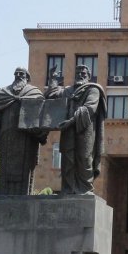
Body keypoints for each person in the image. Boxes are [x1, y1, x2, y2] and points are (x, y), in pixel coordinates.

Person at [0, 67, 48, 195]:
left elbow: (41, 115)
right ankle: (3, 196)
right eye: (16, 73)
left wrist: (40, 132)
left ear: (27, 77)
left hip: (26, 138)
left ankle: (23, 197)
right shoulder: (4, 93)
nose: (18, 75)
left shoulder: (34, 93)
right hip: (7, 136)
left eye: (22, 74)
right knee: (5, 167)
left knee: (25, 168)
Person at [44, 64, 107, 195]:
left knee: (84, 158)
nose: (80, 75)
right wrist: (53, 79)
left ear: (89, 76)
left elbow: (89, 108)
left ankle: (85, 188)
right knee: (68, 159)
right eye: (78, 73)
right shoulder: (68, 90)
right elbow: (51, 96)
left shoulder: (93, 89)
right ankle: (68, 189)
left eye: (83, 74)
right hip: (68, 131)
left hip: (85, 129)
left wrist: (70, 121)